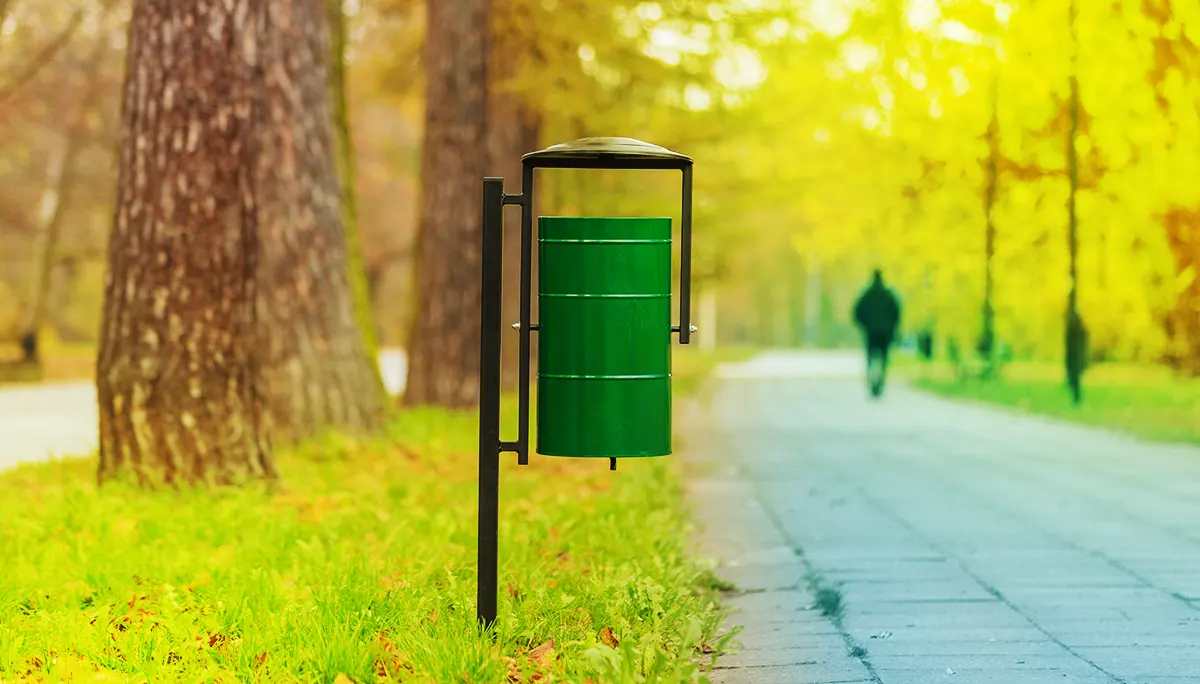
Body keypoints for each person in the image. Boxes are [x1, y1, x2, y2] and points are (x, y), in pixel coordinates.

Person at [853, 269, 902, 397]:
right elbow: (896, 313)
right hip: (885, 333)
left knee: (870, 356)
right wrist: (893, 327)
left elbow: (857, 312)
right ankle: (881, 380)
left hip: (871, 332)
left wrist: (864, 325)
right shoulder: (889, 295)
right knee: (884, 357)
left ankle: (871, 379)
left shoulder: (867, 295)